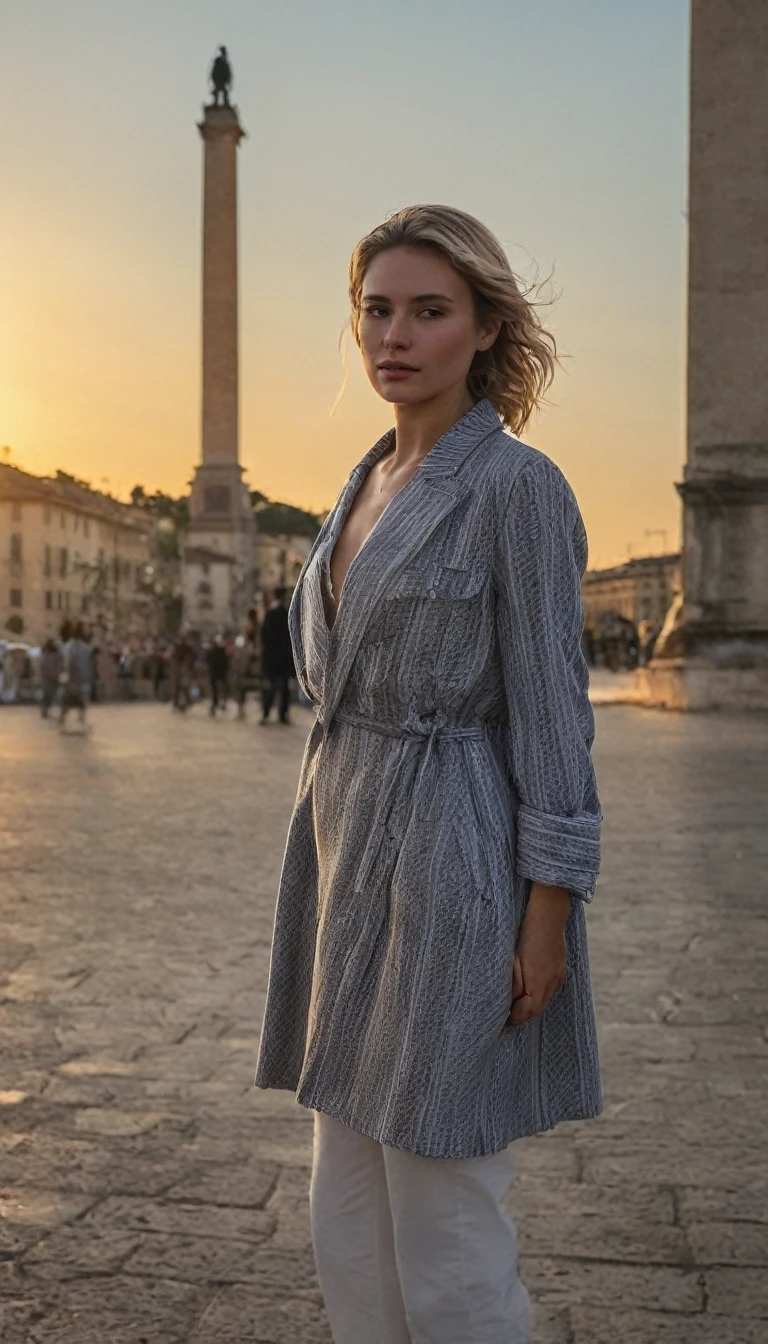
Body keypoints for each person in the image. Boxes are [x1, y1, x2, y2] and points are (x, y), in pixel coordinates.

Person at [254, 205, 603, 1344]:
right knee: (344, 1206)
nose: (393, 336)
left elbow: (555, 713)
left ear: (487, 327)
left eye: (428, 311)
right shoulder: (353, 492)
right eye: (376, 310)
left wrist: (547, 914)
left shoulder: (520, 488)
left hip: (457, 864)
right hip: (345, 853)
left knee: (445, 1211)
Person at [259, 587, 295, 724]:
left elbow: (265, 636)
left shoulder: (270, 612)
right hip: (284, 657)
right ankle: (282, 715)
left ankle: (266, 712)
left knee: (270, 686)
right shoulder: (287, 612)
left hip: (272, 658)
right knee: (284, 687)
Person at [59, 621, 93, 733]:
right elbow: (72, 663)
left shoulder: (69, 646)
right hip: (77, 680)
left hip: (75, 679)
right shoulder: (79, 647)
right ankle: (66, 722)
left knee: (74, 704)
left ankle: (70, 722)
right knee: (74, 702)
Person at [206, 635, 230, 716]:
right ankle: (219, 703)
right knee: (220, 688)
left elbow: (208, 660)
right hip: (218, 672)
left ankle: (218, 703)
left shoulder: (215, 651)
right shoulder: (221, 651)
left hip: (217, 672)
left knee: (217, 689)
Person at [39, 638, 63, 717]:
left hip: (51, 679)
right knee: (47, 696)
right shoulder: (47, 654)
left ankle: (45, 711)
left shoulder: (54, 654)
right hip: (49, 679)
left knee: (49, 695)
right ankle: (45, 711)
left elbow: (59, 666)